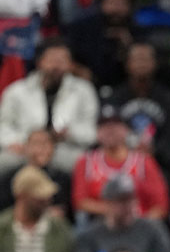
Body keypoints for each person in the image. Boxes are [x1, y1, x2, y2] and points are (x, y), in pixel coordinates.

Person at [0, 39, 98, 176]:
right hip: (24, 148)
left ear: (71, 65)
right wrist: (20, 142)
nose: (57, 66)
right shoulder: (16, 91)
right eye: (52, 60)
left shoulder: (84, 90)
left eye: (62, 60)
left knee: (90, 167)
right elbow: (4, 126)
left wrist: (69, 133)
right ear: (39, 62)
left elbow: (91, 132)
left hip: (65, 149)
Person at [70, 174, 170, 252]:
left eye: (131, 199)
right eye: (121, 201)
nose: (128, 206)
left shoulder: (151, 228)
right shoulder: (90, 235)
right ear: (107, 203)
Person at [106, 42, 170, 183]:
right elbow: (108, 130)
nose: (141, 64)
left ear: (155, 63)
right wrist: (127, 151)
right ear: (127, 64)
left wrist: (154, 149)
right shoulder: (115, 97)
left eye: (145, 59)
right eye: (137, 59)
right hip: (121, 157)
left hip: (158, 159)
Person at [71, 104, 169, 220]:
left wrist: (141, 225)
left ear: (126, 129)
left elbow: (161, 205)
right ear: (97, 132)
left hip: (138, 225)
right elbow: (80, 202)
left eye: (115, 125)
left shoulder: (144, 162)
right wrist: (116, 212)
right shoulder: (86, 162)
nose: (110, 130)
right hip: (100, 226)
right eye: (104, 126)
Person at [0, 165, 73, 252]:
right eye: (39, 199)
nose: (46, 202)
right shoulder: (2, 227)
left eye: (47, 198)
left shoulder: (60, 229)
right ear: (21, 196)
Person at [66, 0, 140, 90]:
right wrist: (80, 70)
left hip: (124, 89)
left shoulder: (136, 31)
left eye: (122, 2)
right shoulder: (82, 27)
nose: (116, 8)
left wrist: (128, 48)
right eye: (112, 1)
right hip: (85, 86)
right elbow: (66, 57)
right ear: (101, 2)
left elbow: (144, 65)